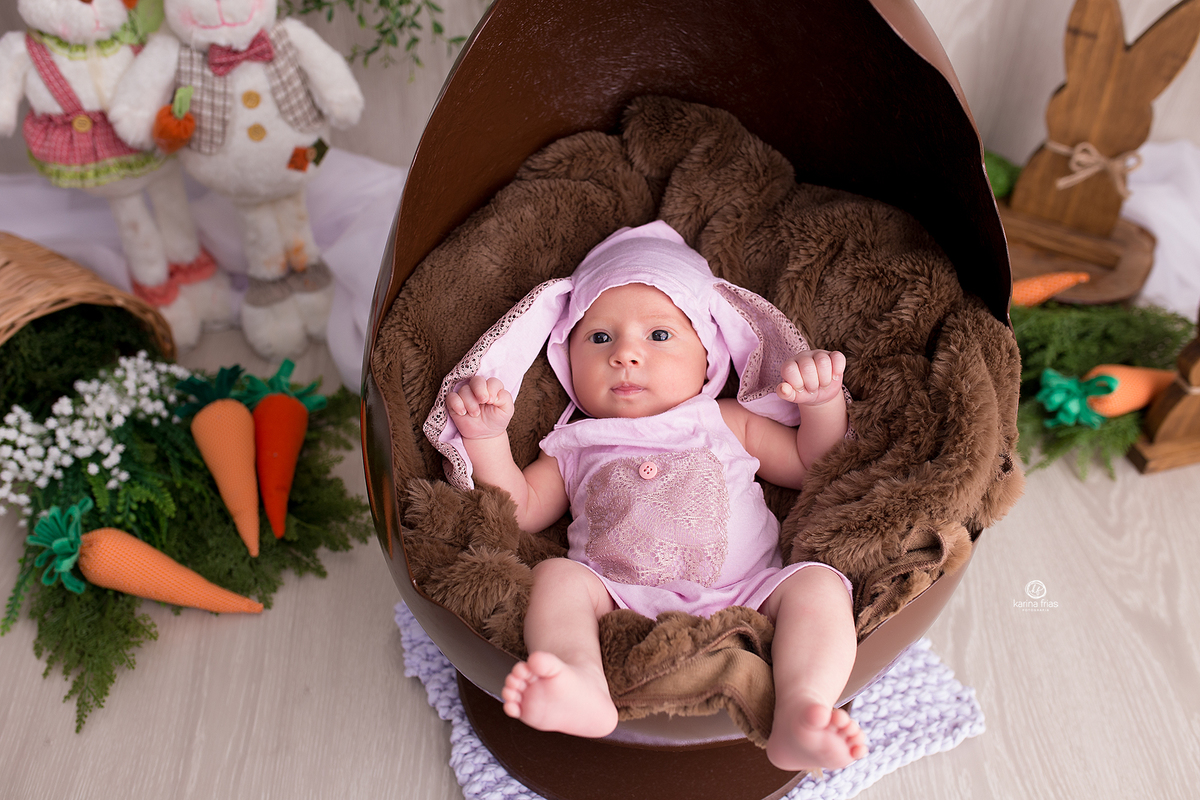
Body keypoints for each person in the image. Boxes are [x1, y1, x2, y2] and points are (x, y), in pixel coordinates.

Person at [440, 222, 867, 772]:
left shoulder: (724, 419)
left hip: (749, 589)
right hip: (621, 597)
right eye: (599, 338)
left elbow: (813, 464)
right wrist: (486, 438)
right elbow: (518, 511)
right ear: (566, 360)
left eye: (659, 335)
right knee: (558, 579)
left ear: (707, 359)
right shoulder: (573, 443)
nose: (625, 356)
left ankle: (802, 708)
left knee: (819, 583)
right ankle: (579, 680)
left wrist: (821, 403)